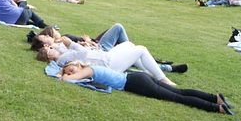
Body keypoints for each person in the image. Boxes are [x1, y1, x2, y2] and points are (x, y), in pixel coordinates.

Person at [57, 62, 233, 114]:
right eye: (68, 70)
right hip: (136, 78)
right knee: (179, 92)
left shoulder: (88, 70)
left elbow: (67, 80)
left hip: (135, 83)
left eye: (70, 68)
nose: (69, 71)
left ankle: (217, 108)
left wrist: (62, 75)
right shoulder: (91, 68)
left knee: (177, 97)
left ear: (77, 66)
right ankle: (215, 98)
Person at [36, 38, 177, 87]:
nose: (51, 48)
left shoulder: (63, 53)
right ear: (49, 58)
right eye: (49, 51)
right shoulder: (62, 59)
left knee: (129, 44)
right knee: (141, 49)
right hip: (108, 64)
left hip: (105, 56)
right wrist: (71, 43)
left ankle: (148, 72)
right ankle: (163, 79)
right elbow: (80, 52)